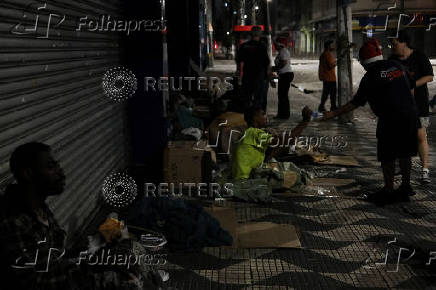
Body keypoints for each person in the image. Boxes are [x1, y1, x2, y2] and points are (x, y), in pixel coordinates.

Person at [321, 38, 419, 205]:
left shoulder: (371, 76)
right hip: (410, 115)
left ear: (365, 62)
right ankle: (405, 186)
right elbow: (411, 85)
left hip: (390, 119)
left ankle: (389, 191)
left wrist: (333, 113)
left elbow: (355, 102)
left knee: (387, 155)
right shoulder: (397, 66)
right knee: (405, 153)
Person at [389, 30, 434, 183]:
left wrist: (412, 84)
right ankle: (402, 168)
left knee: (420, 136)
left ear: (404, 43)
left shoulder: (419, 56)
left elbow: (429, 76)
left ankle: (425, 169)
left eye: (395, 44)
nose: (392, 47)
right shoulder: (392, 59)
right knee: (401, 137)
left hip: (419, 103)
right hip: (400, 105)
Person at [232, 106, 312, 180]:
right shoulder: (254, 133)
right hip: (245, 178)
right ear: (255, 118)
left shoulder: (250, 132)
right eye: (263, 114)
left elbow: (281, 142)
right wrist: (305, 121)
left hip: (246, 174)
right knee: (294, 178)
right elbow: (286, 140)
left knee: (281, 149)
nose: (266, 117)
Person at [236, 26, 273, 111]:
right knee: (258, 99)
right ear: (259, 34)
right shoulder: (262, 47)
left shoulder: (244, 46)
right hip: (259, 77)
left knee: (247, 98)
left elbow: (239, 62)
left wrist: (240, 75)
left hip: (247, 76)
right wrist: (269, 77)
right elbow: (266, 63)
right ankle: (257, 118)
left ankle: (247, 117)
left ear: (251, 34)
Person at [274, 37, 294, 119]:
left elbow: (283, 63)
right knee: (282, 95)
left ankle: (284, 114)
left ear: (280, 44)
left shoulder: (283, 52)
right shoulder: (281, 52)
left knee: (283, 95)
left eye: (276, 44)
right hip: (284, 75)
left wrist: (275, 68)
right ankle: (283, 114)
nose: (274, 46)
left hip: (286, 75)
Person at [318, 40, 337, 112]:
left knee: (325, 93)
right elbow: (331, 66)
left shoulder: (323, 54)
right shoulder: (327, 55)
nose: (334, 47)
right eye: (332, 45)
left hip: (326, 77)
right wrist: (337, 62)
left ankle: (322, 106)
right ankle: (333, 107)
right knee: (332, 94)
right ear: (329, 46)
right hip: (330, 78)